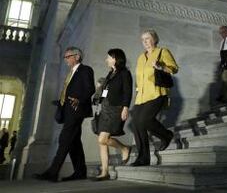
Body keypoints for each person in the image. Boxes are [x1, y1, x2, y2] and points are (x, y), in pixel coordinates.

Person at [35, 46, 95, 182]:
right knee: (74, 142)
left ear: (77, 57)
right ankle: (80, 172)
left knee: (64, 139)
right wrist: (60, 102)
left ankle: (52, 172)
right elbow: (69, 92)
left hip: (76, 110)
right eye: (65, 57)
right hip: (67, 109)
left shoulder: (85, 70)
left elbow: (90, 88)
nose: (66, 59)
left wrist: (79, 99)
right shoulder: (71, 73)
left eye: (68, 56)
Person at [130, 29, 178, 166]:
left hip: (157, 93)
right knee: (136, 124)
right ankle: (143, 158)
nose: (144, 42)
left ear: (154, 39)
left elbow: (174, 68)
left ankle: (166, 135)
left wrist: (161, 66)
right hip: (142, 96)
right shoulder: (140, 57)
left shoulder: (163, 52)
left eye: (147, 38)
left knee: (144, 120)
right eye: (142, 39)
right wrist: (137, 90)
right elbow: (139, 78)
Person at [92, 49, 133, 181]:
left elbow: (127, 92)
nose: (106, 60)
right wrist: (100, 100)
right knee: (102, 143)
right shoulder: (110, 74)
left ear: (115, 58)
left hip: (116, 109)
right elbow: (105, 91)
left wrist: (125, 107)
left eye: (108, 57)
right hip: (105, 108)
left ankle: (124, 148)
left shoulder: (125, 73)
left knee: (102, 139)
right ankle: (105, 172)